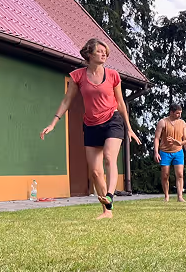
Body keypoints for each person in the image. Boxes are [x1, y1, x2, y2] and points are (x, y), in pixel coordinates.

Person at [41, 38, 141, 219]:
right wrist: (53, 122)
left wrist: (129, 128)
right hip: (90, 125)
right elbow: (67, 100)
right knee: (95, 172)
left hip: (112, 120)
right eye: (99, 51)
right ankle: (107, 211)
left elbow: (120, 103)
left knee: (110, 158)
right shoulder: (77, 76)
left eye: (105, 52)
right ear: (89, 54)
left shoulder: (113, 75)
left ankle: (110, 196)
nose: (104, 54)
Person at [153, 102, 186, 202]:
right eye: (177, 113)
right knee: (165, 175)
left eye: (180, 113)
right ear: (171, 112)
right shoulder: (162, 122)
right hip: (165, 152)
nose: (179, 115)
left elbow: (185, 139)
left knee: (180, 174)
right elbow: (156, 138)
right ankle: (166, 196)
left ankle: (180, 197)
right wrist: (156, 152)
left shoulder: (182, 123)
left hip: (178, 152)